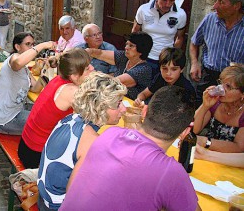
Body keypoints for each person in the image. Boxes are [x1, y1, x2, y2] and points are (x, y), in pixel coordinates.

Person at [60, 86, 200, 211]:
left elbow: (73, 187)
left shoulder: (110, 134)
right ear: (185, 132)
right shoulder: (171, 173)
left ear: (144, 112)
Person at [38, 72, 127, 210]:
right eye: (118, 104)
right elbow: (75, 195)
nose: (124, 109)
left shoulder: (71, 118)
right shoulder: (92, 142)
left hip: (44, 198)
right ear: (100, 106)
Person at [18, 48, 94, 168]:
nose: (92, 69)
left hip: (26, 145)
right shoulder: (72, 91)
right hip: (36, 154)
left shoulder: (58, 79)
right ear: (74, 76)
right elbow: (95, 115)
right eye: (87, 68)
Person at [0, 33, 55, 135]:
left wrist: (46, 69)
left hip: (12, 110)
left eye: (33, 44)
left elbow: (35, 88)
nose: (32, 47)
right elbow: (18, 63)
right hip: (3, 117)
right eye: (28, 44)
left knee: (45, 111)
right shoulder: (14, 59)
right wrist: (42, 45)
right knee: (45, 125)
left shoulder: (24, 69)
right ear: (17, 47)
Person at [190, 0, 244, 105]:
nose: (214, 6)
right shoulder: (209, 20)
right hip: (207, 77)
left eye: (221, 2)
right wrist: (194, 63)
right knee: (199, 112)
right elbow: (194, 43)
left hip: (234, 84)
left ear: (236, 6)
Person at [132, 0, 187, 76]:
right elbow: (135, 31)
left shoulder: (181, 14)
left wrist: (173, 57)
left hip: (165, 60)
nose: (167, 5)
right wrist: (135, 54)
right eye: (164, 0)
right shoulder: (143, 9)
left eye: (171, 1)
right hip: (144, 57)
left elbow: (179, 37)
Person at [86, 32, 153, 100]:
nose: (126, 47)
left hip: (130, 104)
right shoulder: (124, 57)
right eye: (126, 44)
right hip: (115, 99)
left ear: (141, 50)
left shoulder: (144, 69)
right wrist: (88, 51)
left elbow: (114, 82)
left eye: (131, 46)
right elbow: (100, 53)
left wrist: (89, 78)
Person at [193, 64, 244, 153]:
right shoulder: (215, 103)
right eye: (221, 83)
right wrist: (205, 106)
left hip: (227, 161)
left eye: (228, 86)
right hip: (205, 154)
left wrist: (206, 142)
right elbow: (194, 129)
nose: (220, 88)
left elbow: (239, 147)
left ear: (242, 94)